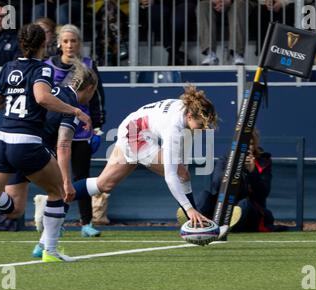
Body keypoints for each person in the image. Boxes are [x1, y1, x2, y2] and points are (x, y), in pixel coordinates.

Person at [0, 23, 91, 262]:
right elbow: (42, 98)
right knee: (58, 191)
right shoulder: (42, 69)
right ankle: (50, 251)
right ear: (44, 45)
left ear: (21, 43)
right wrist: (75, 110)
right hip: (26, 142)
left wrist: (15, 94)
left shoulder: (9, 67)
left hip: (0, 140)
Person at [47, 85, 219, 228]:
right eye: (201, 124)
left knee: (104, 184)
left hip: (131, 126)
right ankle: (194, 220)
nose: (204, 129)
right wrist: (189, 209)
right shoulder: (174, 127)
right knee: (181, 173)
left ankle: (55, 199)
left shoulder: (186, 107)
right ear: (189, 116)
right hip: (136, 135)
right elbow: (171, 176)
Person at [44, 24, 105, 237]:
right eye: (66, 41)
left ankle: (86, 222)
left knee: (81, 176)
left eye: (74, 41)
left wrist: (97, 128)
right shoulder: (48, 66)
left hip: (81, 130)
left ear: (79, 44)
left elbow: (97, 98)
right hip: (54, 130)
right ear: (59, 43)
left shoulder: (89, 65)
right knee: (56, 177)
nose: (70, 45)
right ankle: (55, 221)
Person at [195, 129, 280, 232]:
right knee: (204, 196)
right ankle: (195, 221)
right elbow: (216, 184)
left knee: (244, 204)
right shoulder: (226, 159)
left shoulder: (263, 162)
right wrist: (235, 167)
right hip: (223, 206)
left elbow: (263, 194)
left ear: (255, 145)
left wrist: (252, 171)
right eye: (244, 144)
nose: (247, 147)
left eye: (251, 144)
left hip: (250, 209)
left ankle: (228, 228)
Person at [198, 0, 257, 65]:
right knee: (203, 6)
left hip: (240, 2)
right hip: (214, 3)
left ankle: (237, 53)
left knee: (238, 5)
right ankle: (210, 54)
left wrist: (229, 1)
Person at [141, 0, 197, 65]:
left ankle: (173, 54)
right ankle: (174, 53)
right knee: (155, 14)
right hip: (159, 3)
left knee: (178, 21)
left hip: (185, 2)